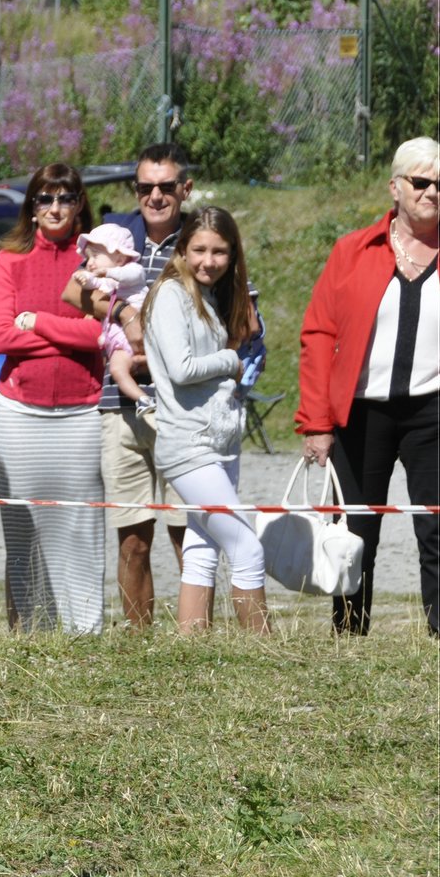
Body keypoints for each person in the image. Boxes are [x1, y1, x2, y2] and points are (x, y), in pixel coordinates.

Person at [297, 136, 440, 637]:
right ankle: (350, 633)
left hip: (435, 414)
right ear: (395, 187)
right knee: (357, 529)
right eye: (422, 182)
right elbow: (318, 335)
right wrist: (317, 423)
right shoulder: (352, 250)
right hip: (361, 413)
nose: (434, 192)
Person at [61, 143, 194, 628]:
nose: (155, 196)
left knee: (188, 534)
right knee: (132, 537)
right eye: (145, 187)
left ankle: (198, 644)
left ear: (185, 189)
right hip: (120, 407)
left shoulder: (201, 238)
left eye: (165, 187)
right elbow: (72, 290)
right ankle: (138, 644)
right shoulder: (117, 232)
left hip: (184, 407)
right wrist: (123, 313)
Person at [0, 163, 106, 634]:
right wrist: (70, 334)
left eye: (65, 198)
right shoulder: (9, 260)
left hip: (82, 414)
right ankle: (33, 633)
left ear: (79, 205)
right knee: (23, 531)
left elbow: (101, 334)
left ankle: (86, 633)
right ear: (31, 208)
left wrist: (35, 322)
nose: (55, 208)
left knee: (82, 529)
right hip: (20, 416)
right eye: (44, 199)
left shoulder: (98, 261)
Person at [142, 207, 269, 633]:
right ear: (182, 247)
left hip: (221, 441)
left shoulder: (211, 295)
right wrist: (232, 358)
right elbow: (180, 368)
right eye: (199, 250)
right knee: (246, 546)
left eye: (220, 252)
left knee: (203, 545)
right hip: (188, 444)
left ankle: (190, 647)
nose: (208, 261)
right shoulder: (170, 296)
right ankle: (266, 650)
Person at [76, 223, 150, 411]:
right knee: (118, 370)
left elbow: (131, 275)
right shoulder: (106, 281)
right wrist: (85, 280)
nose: (90, 262)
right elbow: (93, 284)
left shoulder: (133, 270)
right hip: (121, 342)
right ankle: (142, 399)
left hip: (147, 331)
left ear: (120, 256)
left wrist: (108, 272)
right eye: (88, 256)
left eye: (96, 255)